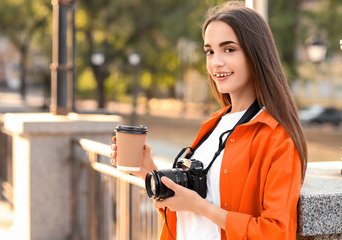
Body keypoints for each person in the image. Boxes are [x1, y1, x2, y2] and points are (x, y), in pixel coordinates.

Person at [110, 1, 307, 239]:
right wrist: (146, 170)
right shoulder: (215, 123)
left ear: (256, 54)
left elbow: (276, 232)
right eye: (210, 51)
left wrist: (199, 206)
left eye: (229, 49)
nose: (216, 62)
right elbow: (188, 215)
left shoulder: (277, 139)